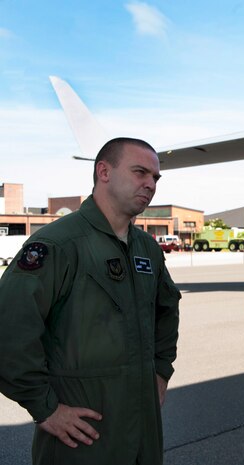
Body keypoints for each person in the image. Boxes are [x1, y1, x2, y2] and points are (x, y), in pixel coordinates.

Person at [0, 137, 181, 465]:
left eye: (155, 177)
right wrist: (45, 409)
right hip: (82, 437)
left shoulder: (146, 248)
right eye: (140, 172)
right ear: (104, 172)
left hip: (143, 429)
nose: (150, 184)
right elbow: (8, 330)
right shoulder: (58, 244)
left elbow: (167, 310)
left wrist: (160, 370)